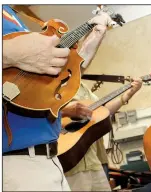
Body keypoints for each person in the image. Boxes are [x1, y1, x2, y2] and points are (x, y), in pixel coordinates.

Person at [2, 5, 114, 191]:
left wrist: (96, 34)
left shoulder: (14, 15)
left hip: (49, 159)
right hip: (17, 163)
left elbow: (67, 72)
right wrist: (10, 52)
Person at [60, 22, 143, 191]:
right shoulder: (49, 85)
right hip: (69, 164)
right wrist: (68, 110)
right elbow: (42, 112)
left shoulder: (81, 86)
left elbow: (102, 111)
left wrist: (127, 95)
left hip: (91, 160)